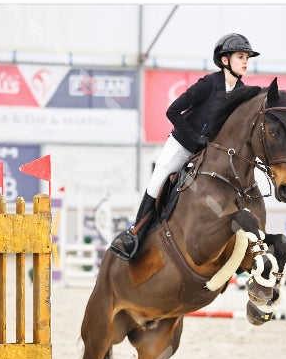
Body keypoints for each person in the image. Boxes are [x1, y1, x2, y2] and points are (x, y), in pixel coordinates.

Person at [110, 33, 260, 261]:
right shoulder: (209, 84)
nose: (246, 61)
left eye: (247, 57)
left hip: (210, 152)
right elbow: (172, 111)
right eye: (240, 56)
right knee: (159, 177)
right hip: (183, 144)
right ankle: (134, 234)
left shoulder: (242, 92)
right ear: (224, 60)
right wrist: (194, 137)